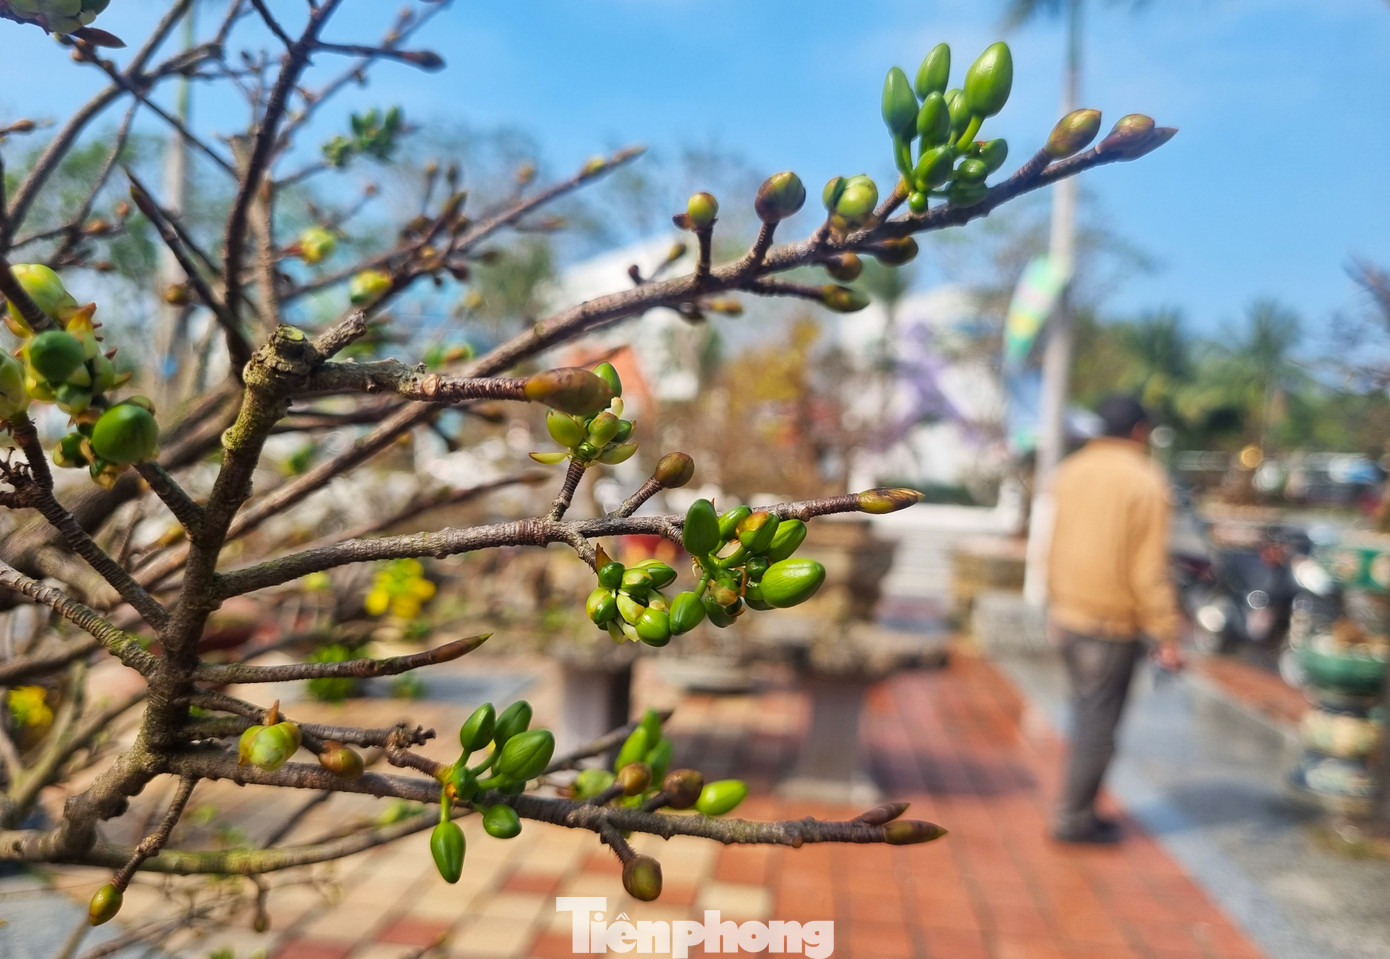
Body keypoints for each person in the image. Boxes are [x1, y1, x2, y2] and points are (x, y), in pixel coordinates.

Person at [1045, 394, 1184, 844]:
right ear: (1140, 432)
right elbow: (1148, 568)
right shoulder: (1144, 480)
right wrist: (1167, 632)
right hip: (1111, 625)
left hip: (1068, 615)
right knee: (1097, 728)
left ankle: (1076, 812)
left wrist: (1053, 605)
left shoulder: (1071, 470)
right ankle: (1072, 818)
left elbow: (1055, 542)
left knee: (1085, 716)